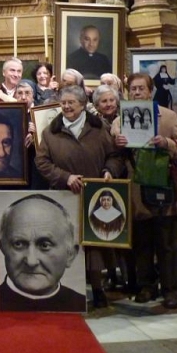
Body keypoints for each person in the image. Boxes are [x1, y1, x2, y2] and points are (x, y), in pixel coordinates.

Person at [35, 85, 124, 307]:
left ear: (83, 105)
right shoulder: (50, 132)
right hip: (64, 195)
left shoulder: (99, 129)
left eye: (71, 103)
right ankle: (67, 291)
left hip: (95, 194)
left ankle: (97, 289)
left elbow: (115, 156)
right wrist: (65, 177)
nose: (66, 107)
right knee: (65, 242)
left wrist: (108, 171)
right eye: (63, 103)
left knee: (93, 245)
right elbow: (42, 162)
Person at [112, 73, 177, 309]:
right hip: (137, 191)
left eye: (141, 89)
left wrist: (167, 143)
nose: (137, 93)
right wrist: (115, 139)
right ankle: (147, 285)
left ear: (150, 91)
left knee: (168, 243)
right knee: (142, 243)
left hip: (164, 187)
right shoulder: (122, 118)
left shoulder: (168, 117)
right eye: (133, 89)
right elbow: (113, 141)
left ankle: (172, 289)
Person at [0, 194, 86, 312]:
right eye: (18, 244)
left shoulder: (78, 304)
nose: (31, 261)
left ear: (70, 255)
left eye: (45, 245)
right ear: (3, 248)